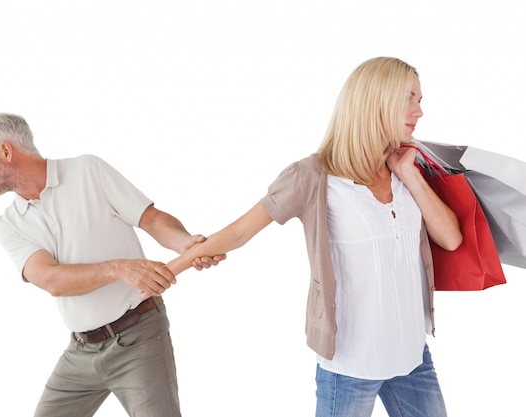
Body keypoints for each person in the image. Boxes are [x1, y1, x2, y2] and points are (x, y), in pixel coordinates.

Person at [165, 57, 463, 417]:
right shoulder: (312, 176)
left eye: (420, 100)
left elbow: (451, 239)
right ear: (375, 101)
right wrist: (172, 268)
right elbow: (241, 230)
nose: (419, 111)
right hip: (350, 365)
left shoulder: (406, 166)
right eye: (409, 98)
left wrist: (409, 174)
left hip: (412, 358)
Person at [0, 112, 224, 417]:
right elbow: (51, 280)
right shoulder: (9, 224)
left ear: (6, 151)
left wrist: (185, 243)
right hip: (80, 353)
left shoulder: (87, 170)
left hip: (139, 338)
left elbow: (151, 218)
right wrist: (120, 268)